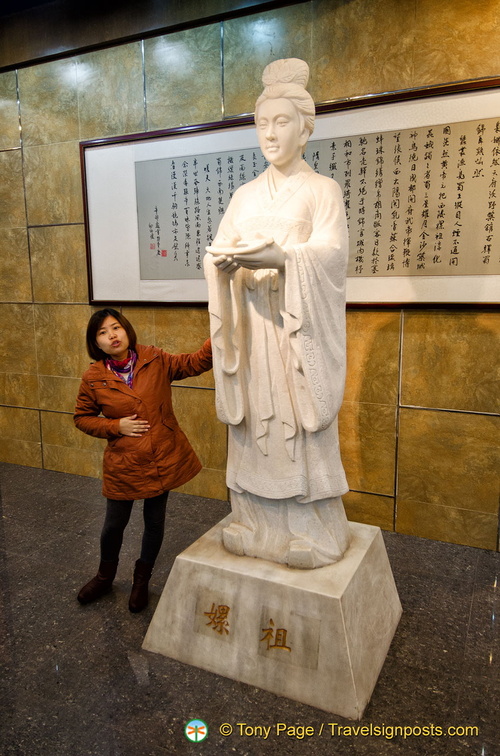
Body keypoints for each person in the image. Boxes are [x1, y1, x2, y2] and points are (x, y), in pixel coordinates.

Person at [204, 58, 351, 569]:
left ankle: (310, 531)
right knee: (254, 425)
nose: (269, 133)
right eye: (262, 123)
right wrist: (220, 262)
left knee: (295, 423)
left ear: (305, 128)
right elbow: (218, 247)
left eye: (281, 122)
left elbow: (331, 255)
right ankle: (250, 519)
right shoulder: (244, 195)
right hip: (251, 333)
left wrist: (286, 258)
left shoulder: (321, 191)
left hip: (294, 335)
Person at [74, 308, 212, 611]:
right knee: (114, 524)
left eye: (116, 328)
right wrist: (115, 426)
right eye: (102, 332)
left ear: (126, 331)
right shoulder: (94, 377)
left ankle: (141, 581)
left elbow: (194, 363)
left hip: (162, 454)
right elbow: (82, 418)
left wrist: (219, 334)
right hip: (124, 462)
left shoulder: (155, 358)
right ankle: (104, 576)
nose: (112, 335)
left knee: (154, 521)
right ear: (95, 342)